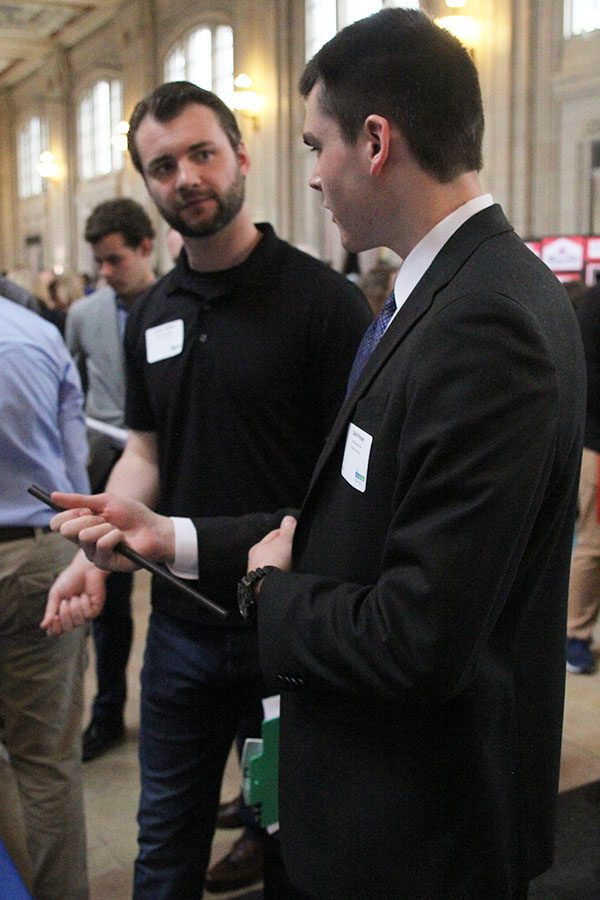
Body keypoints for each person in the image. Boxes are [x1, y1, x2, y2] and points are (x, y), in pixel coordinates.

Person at [46, 11, 587, 898]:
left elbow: (420, 637)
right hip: (383, 786)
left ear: (375, 142)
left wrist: (268, 595)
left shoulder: (484, 320)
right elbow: (344, 512)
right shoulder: (438, 295)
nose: (311, 175)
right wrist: (168, 536)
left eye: (316, 144)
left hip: (424, 819)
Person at [44, 80, 370, 898]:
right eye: (162, 166)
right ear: (147, 185)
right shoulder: (151, 308)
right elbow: (146, 452)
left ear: (241, 157)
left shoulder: (322, 303)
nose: (184, 177)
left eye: (201, 153)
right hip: (183, 630)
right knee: (164, 854)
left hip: (289, 631)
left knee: (299, 850)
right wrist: (97, 541)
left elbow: (353, 487)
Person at [0, 296, 90, 899]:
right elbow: (76, 471)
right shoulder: (36, 335)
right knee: (46, 761)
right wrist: (88, 556)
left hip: (39, 562)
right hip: (40, 558)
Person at [66, 198, 157, 760]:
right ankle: (107, 712)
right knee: (109, 596)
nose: (104, 272)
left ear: (145, 249)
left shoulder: (177, 302)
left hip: (167, 462)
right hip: (107, 463)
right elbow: (71, 384)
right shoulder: (84, 315)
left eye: (114, 260)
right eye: (97, 262)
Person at [566, 280, 600, 674]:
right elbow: (591, 376)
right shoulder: (595, 306)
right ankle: (575, 636)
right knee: (592, 543)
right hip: (597, 442)